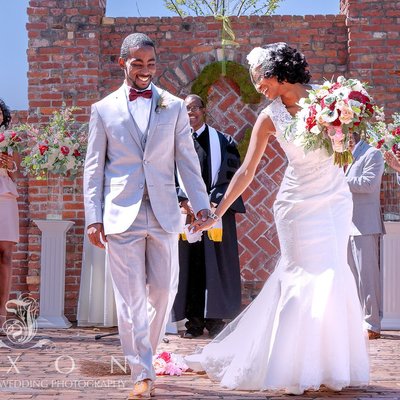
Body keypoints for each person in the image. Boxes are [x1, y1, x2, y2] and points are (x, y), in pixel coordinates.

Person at [186, 43, 369, 395]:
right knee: (301, 278)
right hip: (297, 205)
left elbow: (346, 150)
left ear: (281, 72)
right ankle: (288, 366)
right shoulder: (269, 117)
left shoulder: (332, 98)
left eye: (261, 79)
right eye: (255, 82)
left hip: (334, 200)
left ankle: (329, 364)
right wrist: (216, 214)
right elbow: (246, 171)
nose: (258, 88)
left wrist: (343, 139)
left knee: (333, 274)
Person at [83, 33, 210, 399]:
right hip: (121, 215)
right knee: (130, 299)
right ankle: (142, 371)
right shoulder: (103, 109)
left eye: (151, 64)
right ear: (122, 62)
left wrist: (200, 205)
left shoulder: (172, 106)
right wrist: (94, 216)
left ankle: (148, 356)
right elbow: (94, 170)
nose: (145, 70)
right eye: (137, 63)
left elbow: (187, 160)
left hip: (166, 213)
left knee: (164, 290)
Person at [173, 94, 245, 339]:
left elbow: (232, 175)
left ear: (204, 110)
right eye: (186, 109)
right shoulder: (173, 143)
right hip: (187, 213)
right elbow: (166, 175)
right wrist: (184, 200)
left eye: (194, 107)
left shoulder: (223, 141)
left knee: (216, 265)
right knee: (190, 265)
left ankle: (215, 321)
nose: (190, 112)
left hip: (217, 213)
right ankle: (193, 323)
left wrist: (215, 202)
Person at [345, 132, 385, 340]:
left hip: (365, 225)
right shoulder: (344, 156)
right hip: (345, 225)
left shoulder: (373, 154)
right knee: (350, 278)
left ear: (351, 134)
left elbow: (369, 183)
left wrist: (339, 181)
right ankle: (357, 321)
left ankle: (373, 325)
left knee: (367, 277)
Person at [0, 98, 19, 335]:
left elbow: (16, 173)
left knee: (5, 256)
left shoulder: (10, 140)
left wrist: (10, 162)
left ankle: (2, 315)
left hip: (5, 196)